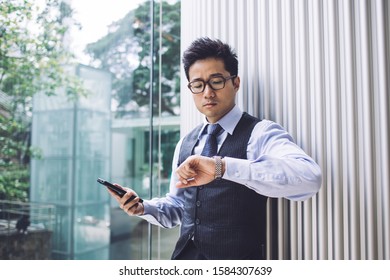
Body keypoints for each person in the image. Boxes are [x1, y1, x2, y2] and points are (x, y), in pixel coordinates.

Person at [108, 37, 322, 260]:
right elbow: (180, 206)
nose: (207, 93)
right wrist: (143, 207)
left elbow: (309, 177)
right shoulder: (186, 143)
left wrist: (221, 167)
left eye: (217, 81)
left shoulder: (260, 133)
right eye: (198, 85)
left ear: (235, 83)